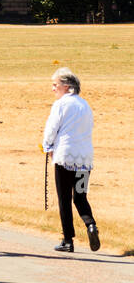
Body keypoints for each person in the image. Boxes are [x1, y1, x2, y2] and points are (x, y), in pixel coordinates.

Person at [43, 67, 99, 252]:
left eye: (55, 85)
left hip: (65, 158)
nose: (53, 89)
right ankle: (90, 224)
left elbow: (51, 128)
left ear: (66, 87)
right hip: (85, 160)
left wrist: (47, 146)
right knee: (81, 196)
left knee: (65, 198)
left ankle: (68, 239)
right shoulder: (85, 105)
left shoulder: (61, 104)